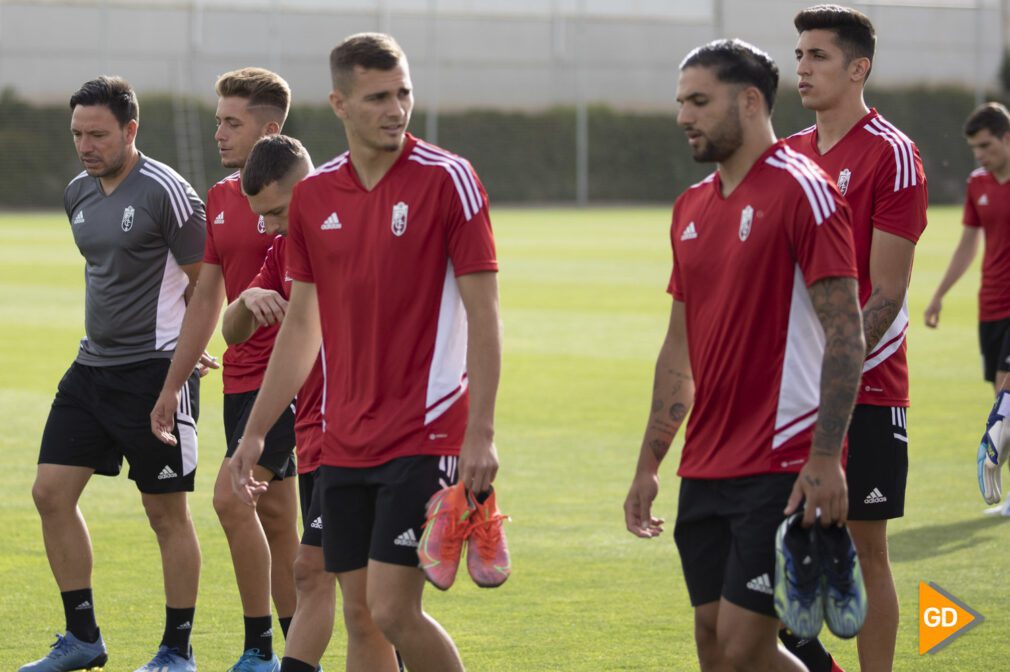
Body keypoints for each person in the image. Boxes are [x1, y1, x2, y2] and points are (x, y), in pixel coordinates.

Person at [228, 32, 503, 672]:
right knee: (359, 616)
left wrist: (481, 433)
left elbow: (485, 315)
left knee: (392, 609)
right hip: (345, 439)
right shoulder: (316, 198)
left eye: (403, 92)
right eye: (378, 96)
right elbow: (301, 327)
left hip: (427, 432)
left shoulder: (449, 180)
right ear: (340, 104)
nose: (395, 108)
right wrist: (256, 431)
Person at [623, 39, 865, 672]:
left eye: (700, 101)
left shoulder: (803, 191)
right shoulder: (690, 208)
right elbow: (678, 348)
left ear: (751, 101)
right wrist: (650, 463)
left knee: (743, 645)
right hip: (705, 463)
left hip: (781, 461)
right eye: (681, 102)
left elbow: (846, 333)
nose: (684, 116)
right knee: (712, 641)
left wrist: (825, 458)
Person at [22, 76, 206, 672]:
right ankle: (83, 639)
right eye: (77, 134)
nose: (85, 145)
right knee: (50, 494)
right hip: (91, 368)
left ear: (130, 130)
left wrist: (186, 359)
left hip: (155, 372)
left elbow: (206, 285)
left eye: (97, 134)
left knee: (165, 514)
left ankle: (177, 651)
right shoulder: (78, 192)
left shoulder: (167, 193)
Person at [784, 6, 929, 670]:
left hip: (867, 390)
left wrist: (833, 364)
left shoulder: (892, 154)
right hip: (792, 398)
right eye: (800, 54)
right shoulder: (787, 157)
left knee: (867, 550)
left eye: (818, 55)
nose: (802, 67)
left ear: (858, 67)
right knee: (776, 548)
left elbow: (888, 291)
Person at [149, 68, 298, 671]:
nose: (219, 133)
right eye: (217, 121)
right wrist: (173, 381)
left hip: (293, 380)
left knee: (230, 500)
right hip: (239, 380)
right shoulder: (217, 197)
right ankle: (296, 653)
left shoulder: (312, 198)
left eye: (232, 123)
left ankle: (260, 647)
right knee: (277, 517)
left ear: (270, 128)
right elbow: (208, 298)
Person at [219, 135, 339, 668]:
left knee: (370, 595)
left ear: (307, 185)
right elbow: (234, 332)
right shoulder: (283, 248)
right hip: (314, 432)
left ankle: (263, 647)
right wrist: (246, 297)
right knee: (328, 578)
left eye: (275, 211)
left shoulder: (352, 236)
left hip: (363, 437)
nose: (266, 226)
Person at [926, 102, 1010, 394]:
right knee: (1001, 414)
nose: (979, 155)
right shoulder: (977, 184)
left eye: (986, 145)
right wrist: (939, 295)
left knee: (1005, 400)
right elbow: (967, 246)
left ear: (1007, 137)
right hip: (990, 306)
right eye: (974, 148)